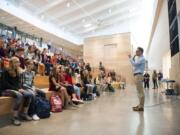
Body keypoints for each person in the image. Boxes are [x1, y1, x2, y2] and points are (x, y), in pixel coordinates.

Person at [1, 57, 33, 126]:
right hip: (4, 90)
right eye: (17, 62)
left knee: (29, 94)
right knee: (19, 95)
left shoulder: (17, 71)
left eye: (19, 62)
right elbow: (4, 84)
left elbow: (18, 83)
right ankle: (14, 117)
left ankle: (24, 114)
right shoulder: (5, 71)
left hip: (14, 89)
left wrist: (20, 88)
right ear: (12, 63)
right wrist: (17, 89)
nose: (19, 63)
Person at [128, 47, 146, 111]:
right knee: (139, 91)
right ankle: (140, 105)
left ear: (141, 52)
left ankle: (141, 107)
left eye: (137, 51)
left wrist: (130, 58)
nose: (136, 52)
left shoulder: (142, 58)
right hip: (137, 75)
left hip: (138, 75)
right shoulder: (138, 58)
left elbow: (134, 64)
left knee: (140, 91)